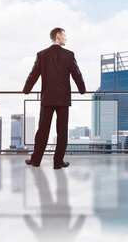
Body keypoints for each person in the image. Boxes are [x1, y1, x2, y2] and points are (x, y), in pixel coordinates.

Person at [23, 27, 86, 169]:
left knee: (42, 131)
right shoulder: (69, 55)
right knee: (62, 131)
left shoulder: (42, 55)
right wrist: (82, 90)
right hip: (63, 99)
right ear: (58, 37)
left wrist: (26, 90)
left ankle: (36, 160)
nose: (66, 38)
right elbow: (77, 74)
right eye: (64, 36)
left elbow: (33, 74)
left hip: (48, 98)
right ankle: (58, 162)